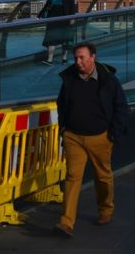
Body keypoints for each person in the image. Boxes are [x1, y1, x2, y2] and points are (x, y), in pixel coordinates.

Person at [54, 42, 128, 237]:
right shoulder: (69, 79)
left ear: (93, 57)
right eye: (76, 58)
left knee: (103, 177)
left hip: (100, 137)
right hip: (73, 137)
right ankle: (67, 221)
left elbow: (121, 106)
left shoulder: (108, 80)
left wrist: (113, 134)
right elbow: (61, 104)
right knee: (72, 177)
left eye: (82, 58)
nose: (78, 62)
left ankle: (105, 210)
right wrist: (64, 129)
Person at [39, 0, 76, 65]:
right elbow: (47, 5)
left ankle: (64, 58)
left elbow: (72, 6)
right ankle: (49, 59)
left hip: (65, 17)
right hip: (52, 18)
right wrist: (40, 15)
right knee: (51, 39)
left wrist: (72, 18)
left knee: (65, 39)